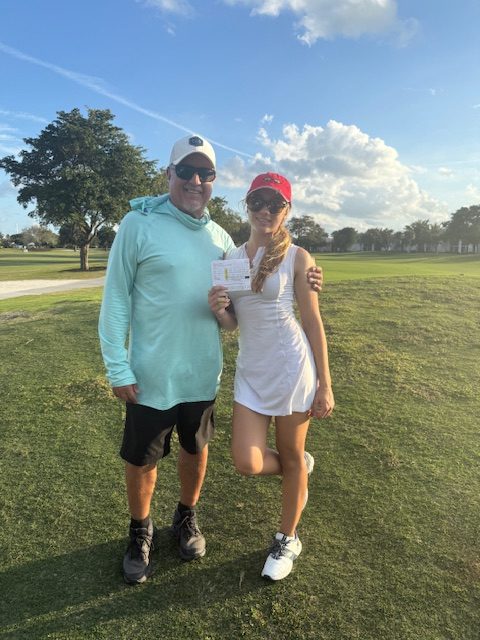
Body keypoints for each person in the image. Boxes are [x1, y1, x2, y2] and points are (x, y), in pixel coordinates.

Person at [98, 135, 323, 584]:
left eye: (205, 174)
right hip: (150, 372)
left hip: (203, 373)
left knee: (194, 450)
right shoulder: (137, 225)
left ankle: (186, 517)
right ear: (169, 174)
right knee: (143, 459)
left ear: (214, 182)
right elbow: (116, 297)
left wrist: (306, 273)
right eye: (186, 171)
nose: (196, 181)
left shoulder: (221, 240)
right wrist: (117, 365)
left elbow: (232, 316)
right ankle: (141, 530)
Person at [208, 172, 334, 581]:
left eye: (276, 203)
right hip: (251, 372)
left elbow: (313, 321)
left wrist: (325, 384)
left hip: (292, 367)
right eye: (259, 201)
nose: (266, 209)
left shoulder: (298, 257)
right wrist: (218, 310)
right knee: (246, 461)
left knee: (292, 456)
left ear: (287, 210)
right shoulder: (230, 259)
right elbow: (232, 324)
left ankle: (287, 538)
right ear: (247, 204)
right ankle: (298, 466)